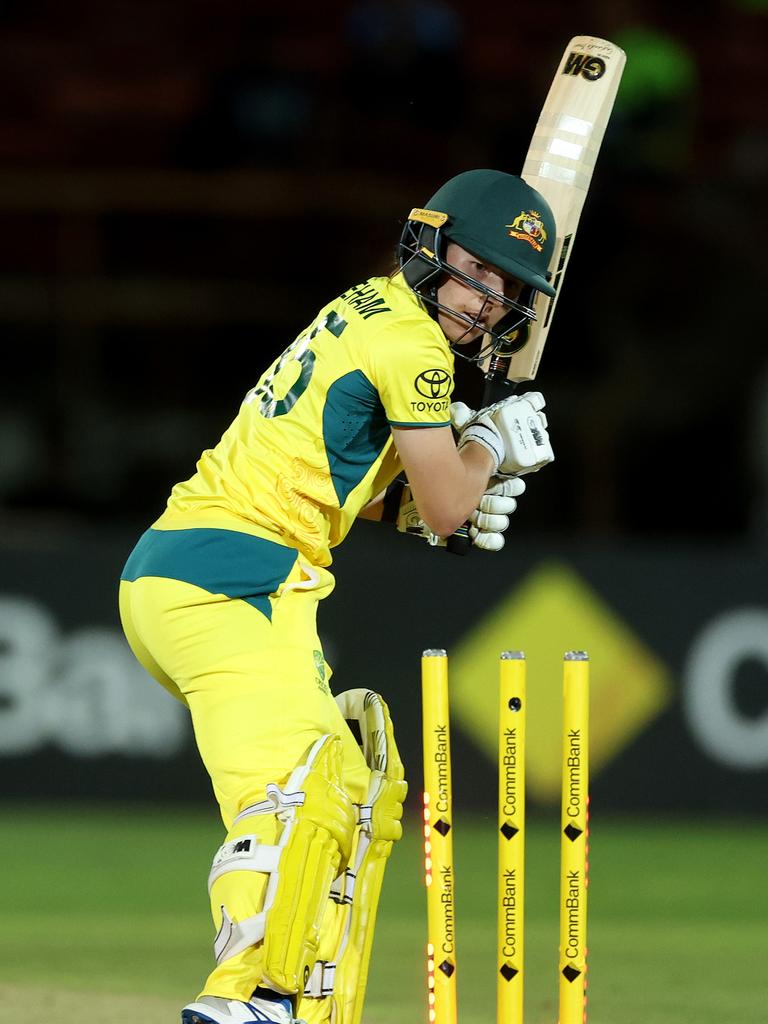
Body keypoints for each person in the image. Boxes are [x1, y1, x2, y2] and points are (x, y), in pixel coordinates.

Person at [118, 168, 557, 1024]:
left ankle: (307, 1008)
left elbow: (391, 498)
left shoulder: (369, 308)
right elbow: (448, 504)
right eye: (478, 270)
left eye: (506, 288)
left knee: (356, 789)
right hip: (234, 579)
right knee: (301, 792)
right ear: (430, 246)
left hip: (193, 573)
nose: (486, 299)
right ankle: (246, 999)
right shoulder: (415, 347)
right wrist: (490, 453)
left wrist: (465, 461)